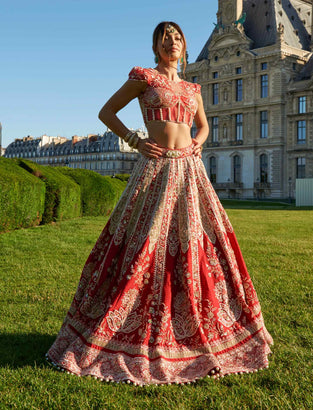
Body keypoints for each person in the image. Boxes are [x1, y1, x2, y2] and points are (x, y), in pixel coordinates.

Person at [46, 21, 273, 386]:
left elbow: (203, 125)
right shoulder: (145, 78)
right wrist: (136, 142)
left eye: (178, 37)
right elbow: (107, 112)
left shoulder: (192, 87)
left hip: (189, 170)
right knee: (142, 246)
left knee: (196, 247)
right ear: (156, 45)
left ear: (184, 45)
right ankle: (122, 325)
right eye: (166, 38)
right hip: (155, 167)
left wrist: (199, 142)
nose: (173, 42)